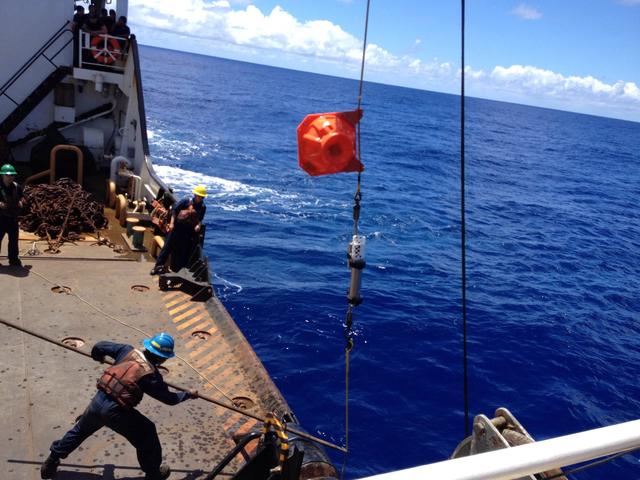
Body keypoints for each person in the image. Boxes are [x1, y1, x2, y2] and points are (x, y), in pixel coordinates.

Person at [40, 333, 198, 480]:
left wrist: (98, 357)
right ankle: (153, 473)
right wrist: (188, 394)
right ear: (161, 358)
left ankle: (51, 461)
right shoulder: (152, 376)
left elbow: (100, 346)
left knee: (80, 430)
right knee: (147, 433)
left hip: (97, 402)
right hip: (117, 412)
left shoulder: (126, 350)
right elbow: (169, 399)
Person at [150, 186, 207, 275]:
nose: (199, 198)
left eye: (201, 196)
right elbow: (174, 211)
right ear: (195, 195)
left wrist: (198, 225)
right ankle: (157, 267)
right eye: (198, 196)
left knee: (182, 251)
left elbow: (200, 218)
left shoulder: (202, 207)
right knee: (167, 248)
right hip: (176, 228)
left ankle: (179, 271)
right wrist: (172, 223)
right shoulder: (186, 201)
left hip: (188, 231)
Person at [0, 164, 23, 267]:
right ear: (3, 175)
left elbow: (22, 197)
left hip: (13, 218)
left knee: (13, 240)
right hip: (1, 218)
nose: (10, 177)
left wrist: (21, 202)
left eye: (12, 175)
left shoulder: (17, 187)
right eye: (8, 175)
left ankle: (13, 259)